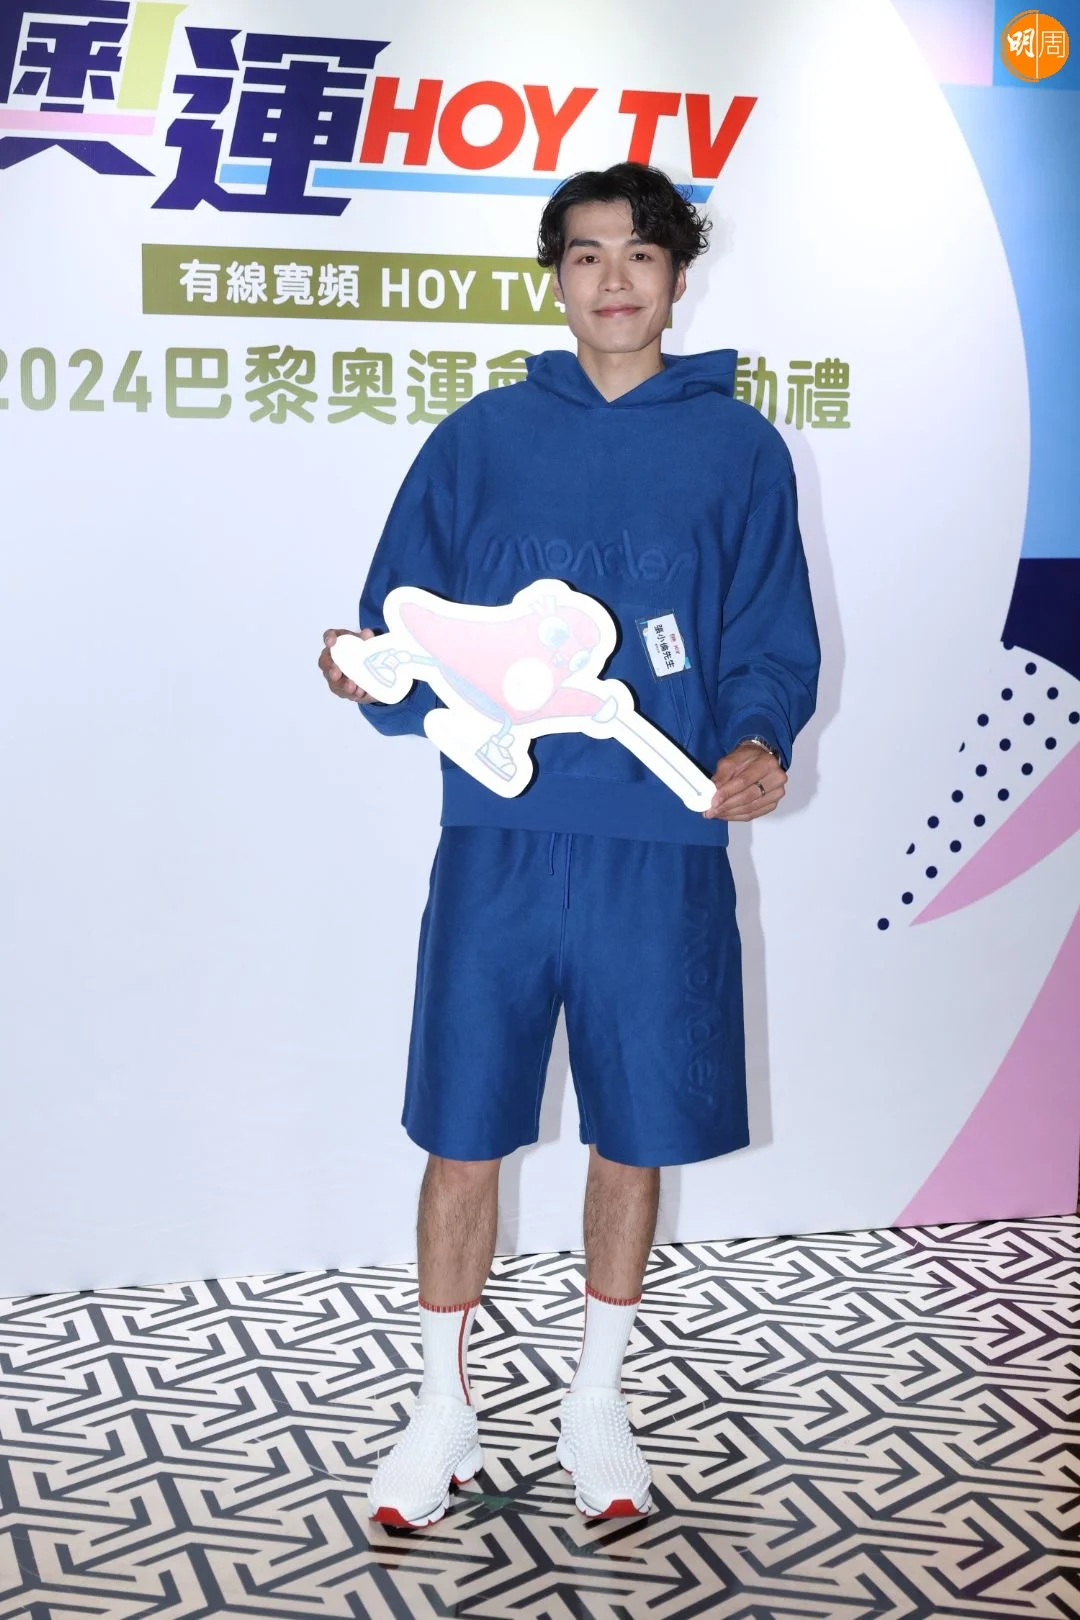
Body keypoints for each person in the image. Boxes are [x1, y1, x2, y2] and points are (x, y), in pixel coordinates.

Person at [318, 162, 820, 1529]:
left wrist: (757, 739)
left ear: (677, 277)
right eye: (587, 253)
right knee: (463, 1126)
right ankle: (439, 1410)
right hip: (499, 836)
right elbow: (399, 623)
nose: (614, 279)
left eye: (641, 254)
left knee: (633, 1131)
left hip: (658, 839)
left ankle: (597, 1399)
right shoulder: (481, 438)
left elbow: (770, 639)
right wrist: (361, 668)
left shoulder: (740, 450)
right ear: (555, 276)